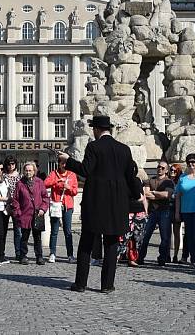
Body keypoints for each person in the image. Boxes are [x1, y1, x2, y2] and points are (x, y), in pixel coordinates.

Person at [59, 115, 139, 293]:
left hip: (95, 203)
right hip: (117, 205)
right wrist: (137, 195)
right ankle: (107, 285)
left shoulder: (94, 147)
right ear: (109, 129)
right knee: (111, 244)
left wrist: (68, 160)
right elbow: (131, 177)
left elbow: (85, 170)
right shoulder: (124, 149)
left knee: (86, 243)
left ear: (96, 129)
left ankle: (81, 284)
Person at [137, 161, 175, 266]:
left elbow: (167, 194)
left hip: (164, 211)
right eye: (159, 167)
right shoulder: (151, 180)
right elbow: (146, 194)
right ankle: (140, 257)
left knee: (165, 237)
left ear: (166, 170)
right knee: (145, 236)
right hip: (152, 212)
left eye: (163, 168)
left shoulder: (168, 182)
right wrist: (158, 195)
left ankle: (162, 259)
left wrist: (154, 193)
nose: (160, 169)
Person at [11, 161, 50, 265]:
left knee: (37, 237)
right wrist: (18, 212)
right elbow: (15, 200)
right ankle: (23, 256)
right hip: (25, 214)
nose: (28, 172)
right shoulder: (20, 183)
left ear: (34, 171)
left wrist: (43, 209)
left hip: (38, 213)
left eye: (30, 170)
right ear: (24, 171)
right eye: (26, 170)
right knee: (24, 237)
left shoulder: (39, 182)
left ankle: (39, 257)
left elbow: (45, 197)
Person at [44, 159, 78, 263]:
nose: (64, 165)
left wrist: (68, 188)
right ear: (59, 163)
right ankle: (52, 253)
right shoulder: (54, 173)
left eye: (66, 163)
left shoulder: (72, 175)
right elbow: (45, 184)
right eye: (62, 163)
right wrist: (56, 182)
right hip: (56, 205)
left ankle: (70, 255)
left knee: (67, 231)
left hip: (67, 206)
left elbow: (75, 191)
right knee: (54, 231)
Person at [118, 165, 146, 267]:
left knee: (137, 237)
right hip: (126, 211)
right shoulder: (121, 181)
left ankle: (132, 258)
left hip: (138, 211)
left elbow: (143, 197)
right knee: (123, 237)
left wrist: (145, 210)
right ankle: (117, 256)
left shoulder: (137, 181)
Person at [3, 155, 23, 260]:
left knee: (18, 230)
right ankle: (1, 253)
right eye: (9, 164)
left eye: (13, 164)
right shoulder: (3, 176)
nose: (11, 166)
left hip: (17, 206)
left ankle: (18, 253)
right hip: (5, 205)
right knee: (3, 230)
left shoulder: (20, 177)